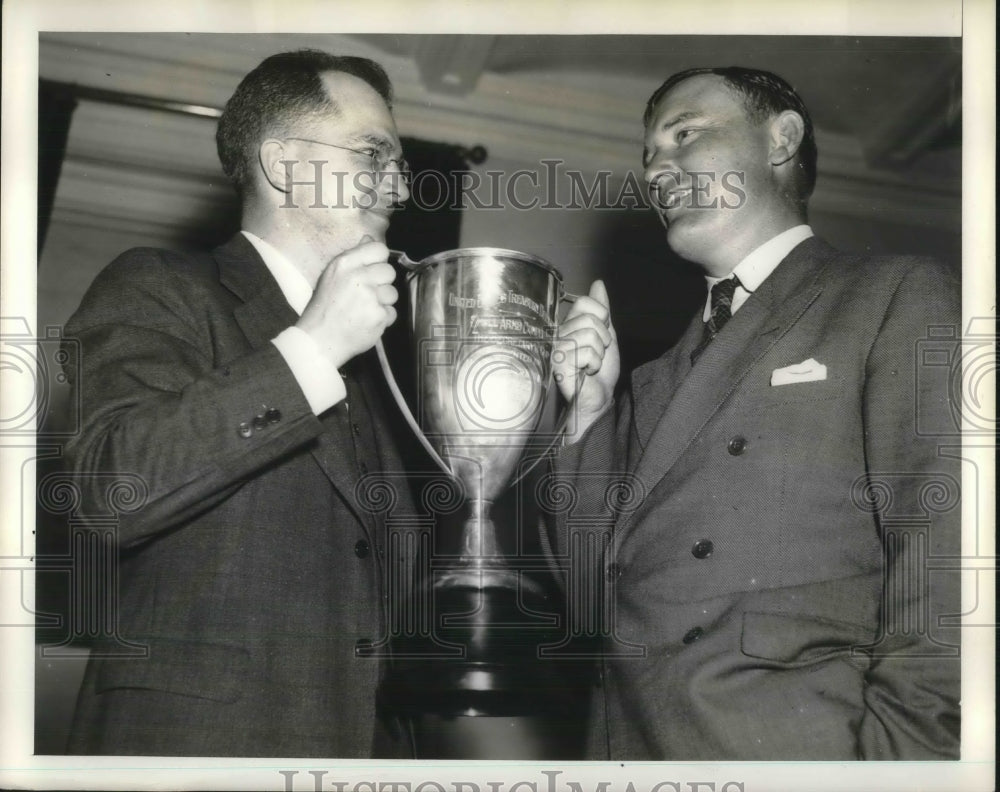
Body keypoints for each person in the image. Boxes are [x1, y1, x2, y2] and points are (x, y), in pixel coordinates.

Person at [553, 66, 961, 760]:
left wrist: (902, 767)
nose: (657, 167)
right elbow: (592, 592)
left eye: (684, 133)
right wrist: (588, 416)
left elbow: (952, 556)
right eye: (648, 153)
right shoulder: (653, 379)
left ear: (781, 140)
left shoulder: (895, 295)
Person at [62, 49, 414, 757]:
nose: (401, 187)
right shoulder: (161, 284)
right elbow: (107, 489)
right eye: (375, 154)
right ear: (284, 164)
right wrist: (312, 349)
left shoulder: (376, 364)